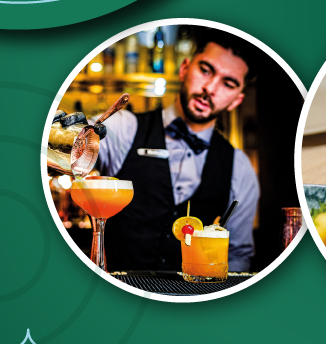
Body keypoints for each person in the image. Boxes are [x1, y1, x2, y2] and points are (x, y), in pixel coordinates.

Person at [94, 32, 260, 273]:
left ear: (236, 100)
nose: (210, 88)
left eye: (228, 83)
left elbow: (236, 256)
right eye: (205, 70)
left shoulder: (239, 166)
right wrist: (71, 135)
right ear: (184, 68)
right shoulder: (124, 128)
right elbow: (80, 140)